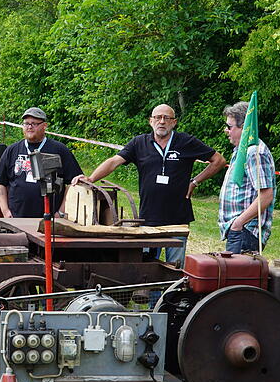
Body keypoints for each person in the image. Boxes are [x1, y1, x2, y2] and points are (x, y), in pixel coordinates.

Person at [71, 104, 226, 267]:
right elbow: (114, 161)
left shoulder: (186, 142)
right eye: (158, 117)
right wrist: (91, 178)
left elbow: (219, 161)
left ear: (174, 122)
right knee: (148, 268)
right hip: (148, 219)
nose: (162, 121)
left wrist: (195, 182)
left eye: (166, 118)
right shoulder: (139, 143)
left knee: (175, 269)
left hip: (178, 219)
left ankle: (172, 294)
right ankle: (151, 294)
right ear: (150, 121)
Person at [0, 107, 83, 218]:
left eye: (34, 124)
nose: (29, 127)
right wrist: (5, 211)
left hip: (50, 220)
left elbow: (73, 183)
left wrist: (61, 211)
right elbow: (0, 183)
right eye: (26, 124)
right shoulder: (12, 150)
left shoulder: (60, 150)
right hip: (17, 218)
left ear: (44, 126)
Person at [219, 102, 276, 253]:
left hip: (246, 231)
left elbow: (266, 195)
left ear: (244, 127)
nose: (226, 131)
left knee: (238, 275)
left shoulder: (254, 152)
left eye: (230, 126)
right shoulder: (241, 150)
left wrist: (238, 223)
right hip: (239, 230)